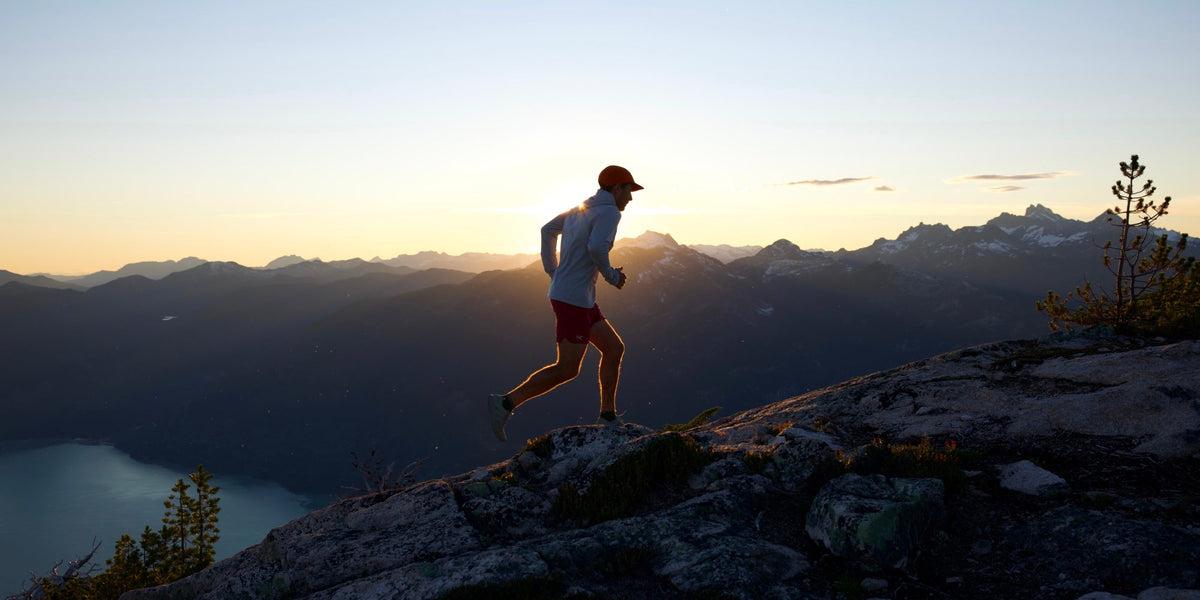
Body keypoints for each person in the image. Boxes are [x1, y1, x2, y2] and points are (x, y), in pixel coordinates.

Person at [487, 165, 643, 441]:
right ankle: (505, 403)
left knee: (614, 348)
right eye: (629, 190)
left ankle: (608, 415)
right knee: (568, 368)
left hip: (576, 296)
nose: (631, 198)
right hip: (573, 300)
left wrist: (553, 270)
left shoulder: (580, 209)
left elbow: (548, 230)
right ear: (617, 188)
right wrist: (612, 276)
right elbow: (596, 248)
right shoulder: (609, 212)